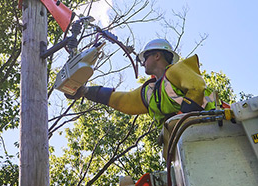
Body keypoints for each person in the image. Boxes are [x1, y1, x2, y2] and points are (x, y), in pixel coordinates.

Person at [65, 38, 219, 124]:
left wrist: (183, 121)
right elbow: (124, 101)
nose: (143, 63)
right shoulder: (151, 91)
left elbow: (197, 89)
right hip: (183, 144)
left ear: (157, 56)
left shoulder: (177, 70)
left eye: (145, 58)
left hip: (211, 126)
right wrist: (85, 91)